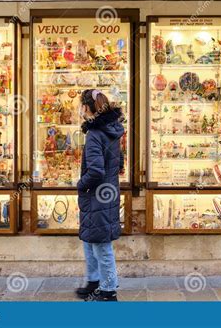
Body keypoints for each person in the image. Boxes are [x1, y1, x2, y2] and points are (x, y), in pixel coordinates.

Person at [75, 89, 124, 302]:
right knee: (90, 239)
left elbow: (95, 170)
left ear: (87, 108)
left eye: (80, 105)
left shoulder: (95, 134)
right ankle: (94, 281)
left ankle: (108, 290)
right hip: (107, 192)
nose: (79, 109)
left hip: (97, 194)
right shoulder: (110, 129)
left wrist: (81, 184)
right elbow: (119, 161)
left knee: (101, 245)